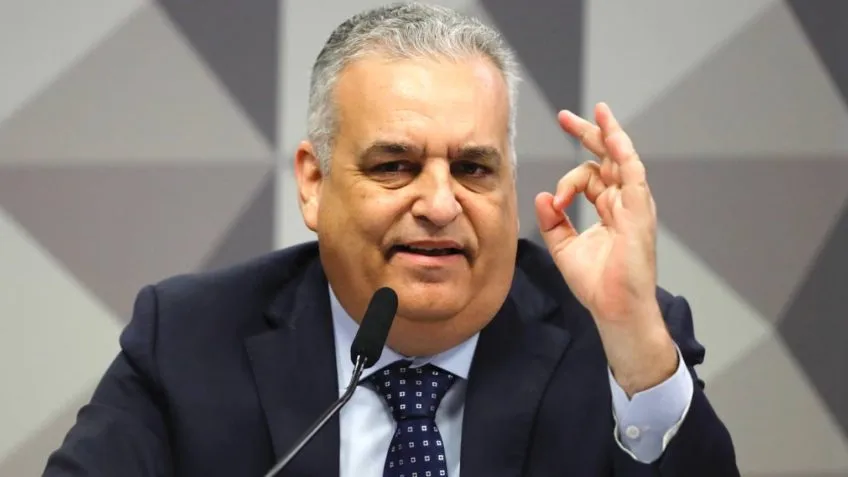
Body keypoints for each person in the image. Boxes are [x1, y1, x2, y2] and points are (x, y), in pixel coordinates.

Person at [42, 2, 739, 476]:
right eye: (394, 166)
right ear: (314, 183)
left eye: (473, 169)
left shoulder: (621, 339)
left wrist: (635, 342)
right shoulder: (189, 339)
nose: (438, 204)